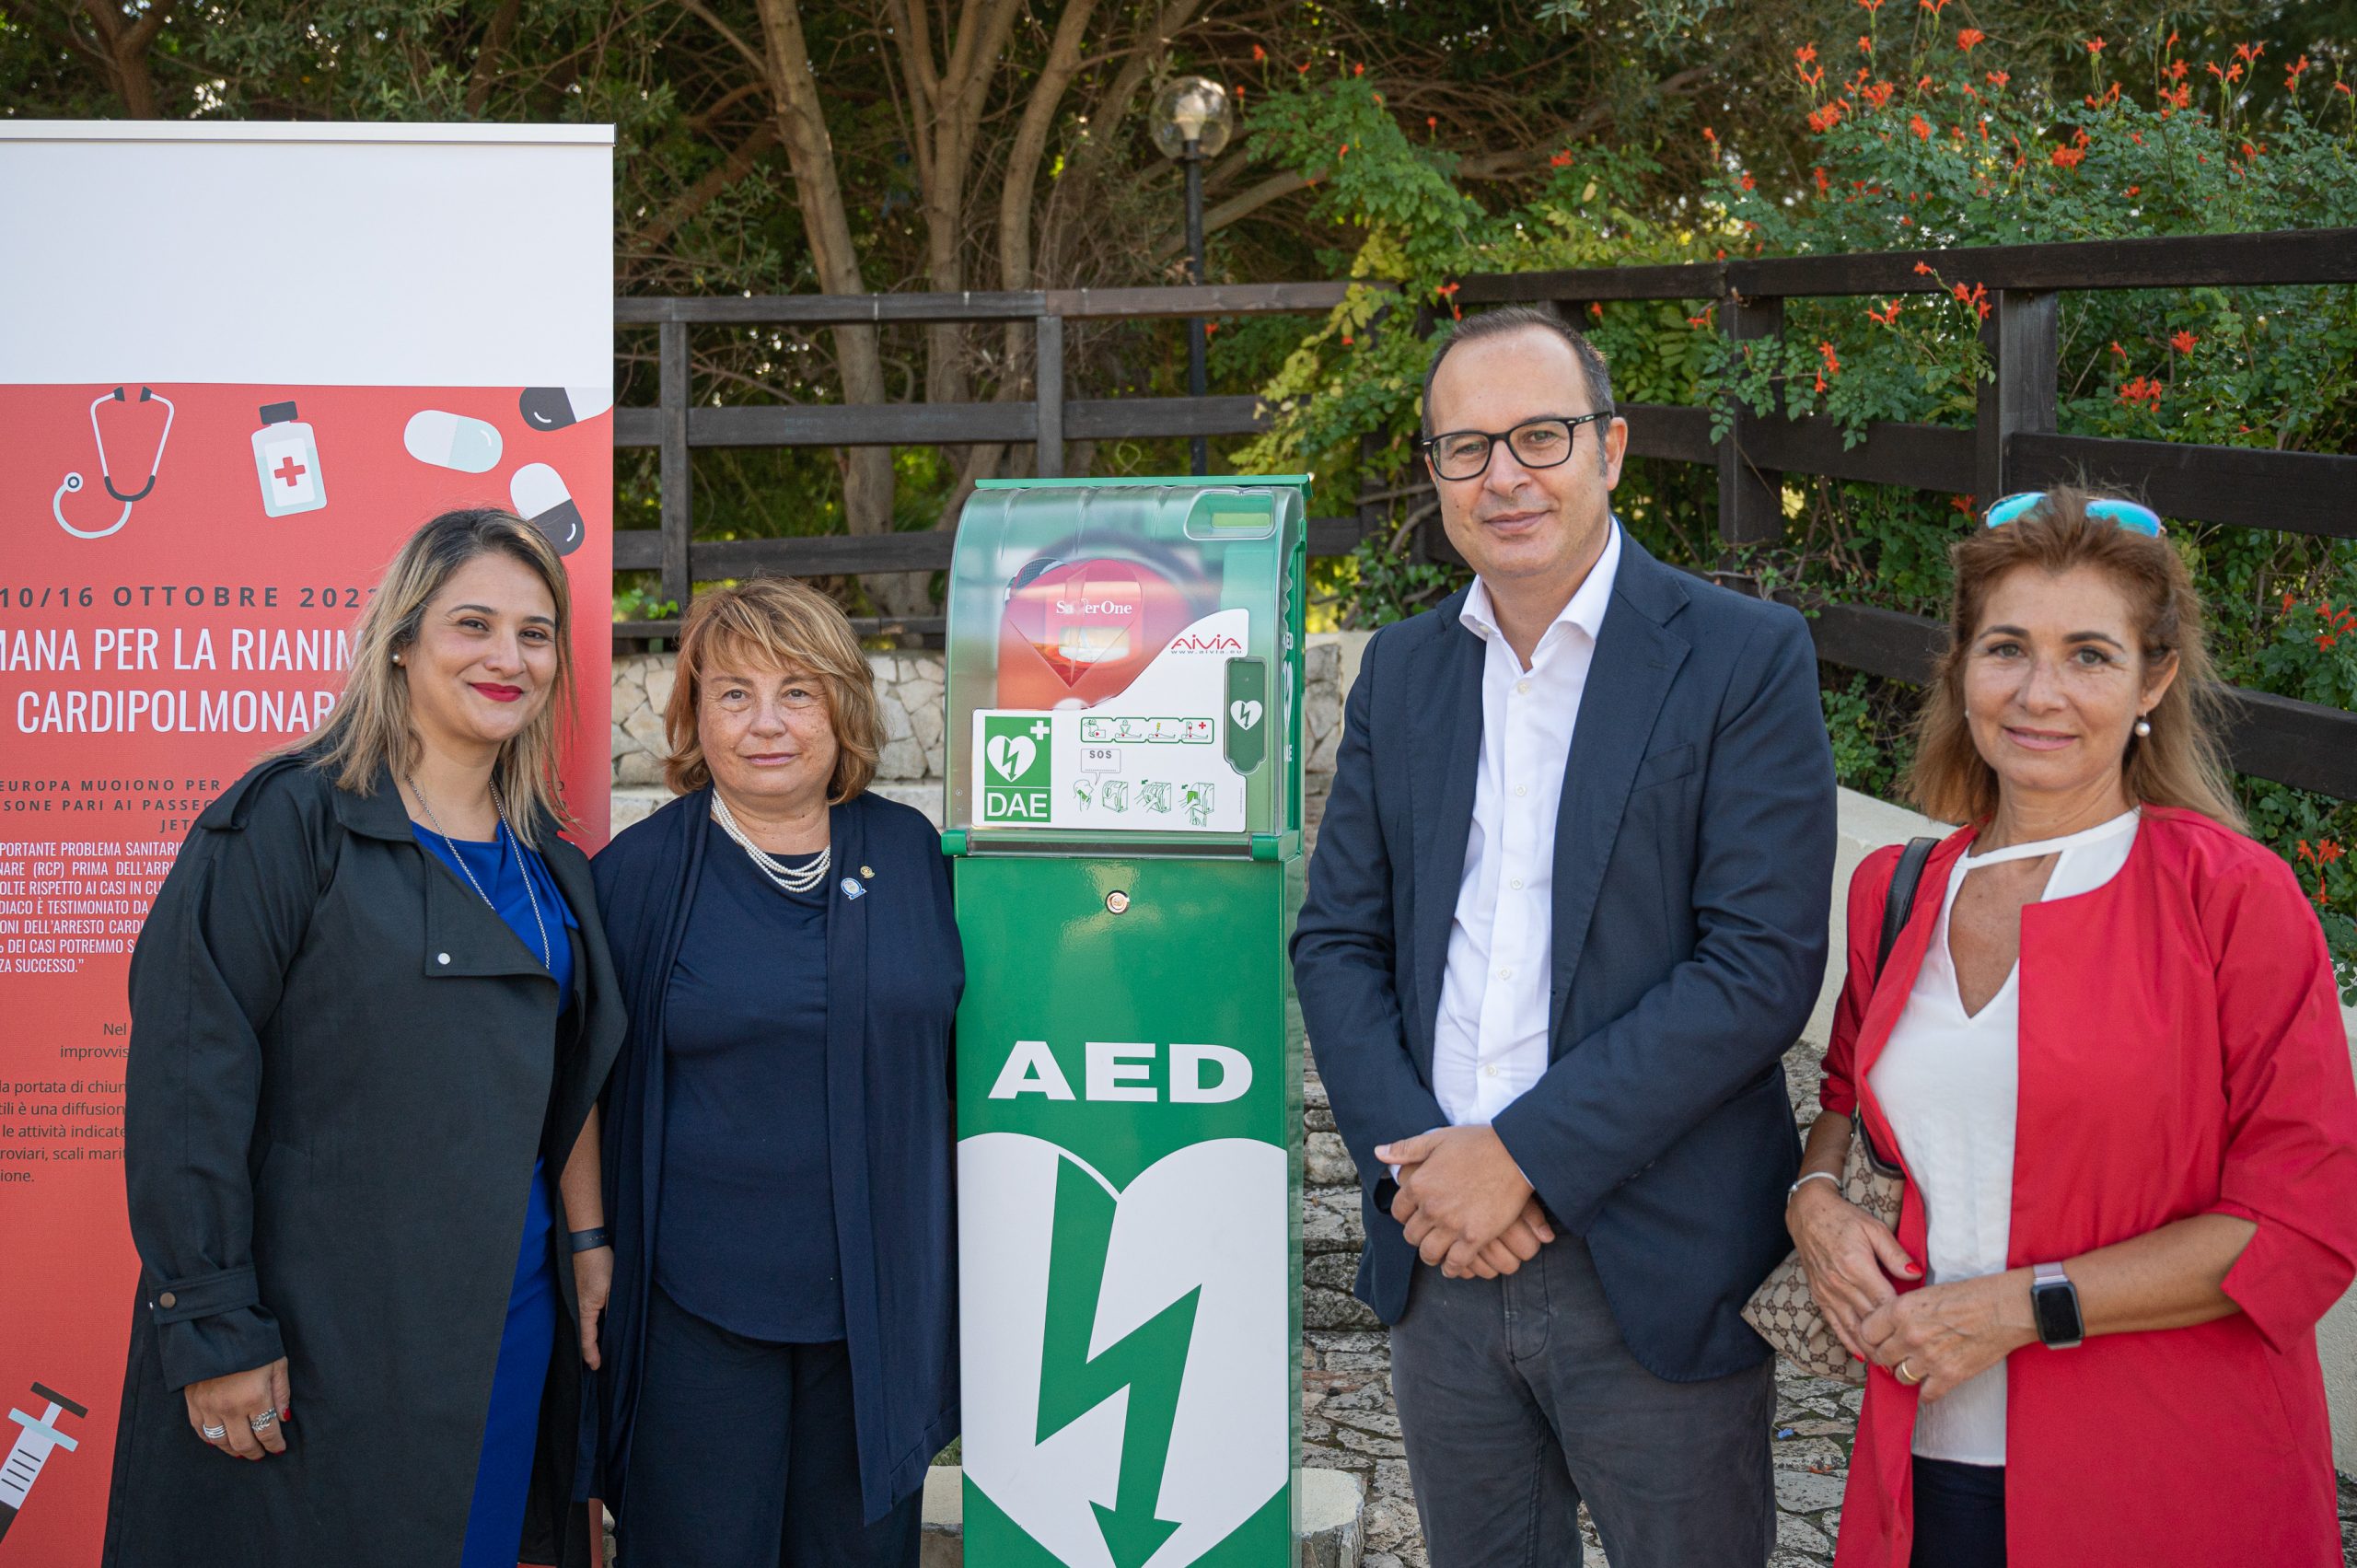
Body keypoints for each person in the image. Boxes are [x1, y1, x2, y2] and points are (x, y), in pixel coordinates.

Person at [1292, 303, 1838, 1567]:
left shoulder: (1744, 656)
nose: (1506, 475)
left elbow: (1758, 964)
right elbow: (1337, 941)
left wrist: (1522, 1155)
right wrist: (1424, 1176)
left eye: (1540, 435)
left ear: (1612, 446)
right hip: (1440, 1258)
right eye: (1466, 448)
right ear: (1433, 477)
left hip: (1651, 1254)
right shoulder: (1406, 672)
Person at [1790, 490, 2357, 1568]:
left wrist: (2018, 1307)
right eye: (2006, 647)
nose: (2039, 692)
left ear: (2154, 681)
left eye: (2088, 655)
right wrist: (1812, 1198)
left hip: (2167, 1474)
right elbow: (1842, 1096)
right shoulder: (1896, 887)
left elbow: (2304, 1225)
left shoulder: (2232, 897)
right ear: (1961, 666)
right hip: (1923, 1455)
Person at [106, 508, 626, 1568]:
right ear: (401, 639)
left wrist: (582, 1243)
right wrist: (214, 1326)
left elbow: (565, 1081)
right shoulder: (289, 822)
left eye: (535, 634)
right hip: (318, 1330)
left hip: (501, 1324)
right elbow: (188, 1080)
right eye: (471, 623)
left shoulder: (551, 864)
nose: (507, 657)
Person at [590, 577, 961, 1568]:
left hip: (874, 1311)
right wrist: (590, 1244)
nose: (766, 723)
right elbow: (578, 1084)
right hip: (695, 1311)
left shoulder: (914, 853)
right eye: (733, 693)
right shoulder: (634, 875)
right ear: (692, 713)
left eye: (797, 692)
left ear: (841, 706)